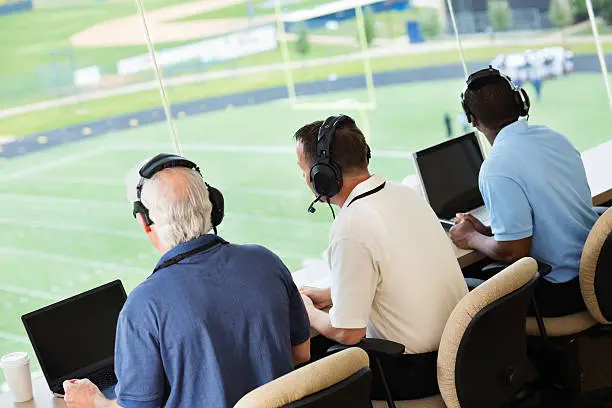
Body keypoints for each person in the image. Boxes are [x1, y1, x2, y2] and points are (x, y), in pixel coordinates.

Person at [63, 153, 311, 408]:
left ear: (145, 222)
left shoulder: (143, 306)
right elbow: (301, 353)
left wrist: (92, 400)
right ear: (213, 207)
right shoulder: (265, 261)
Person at [294, 116, 468, 400]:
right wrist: (333, 293)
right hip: (463, 351)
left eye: (305, 170)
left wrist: (308, 311)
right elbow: (400, 270)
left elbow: (347, 332)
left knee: (314, 370)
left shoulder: (351, 226)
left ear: (323, 174)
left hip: (419, 370)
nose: (305, 178)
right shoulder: (406, 194)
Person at [450, 67, 599, 317]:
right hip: (601, 272)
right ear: (520, 102)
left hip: (565, 289)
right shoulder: (554, 137)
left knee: (473, 297)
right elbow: (549, 215)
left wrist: (471, 238)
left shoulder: (496, 168)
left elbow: (514, 252)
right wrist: (488, 231)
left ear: (472, 119)